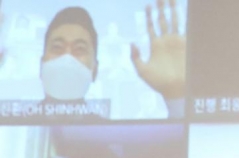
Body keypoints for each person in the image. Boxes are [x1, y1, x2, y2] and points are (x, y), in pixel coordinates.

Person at [36, 2, 185, 117]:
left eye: (79, 49)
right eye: (57, 47)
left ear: (95, 70)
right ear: (41, 66)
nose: (67, 57)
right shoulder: (22, 118)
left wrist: (174, 94)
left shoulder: (108, 137)